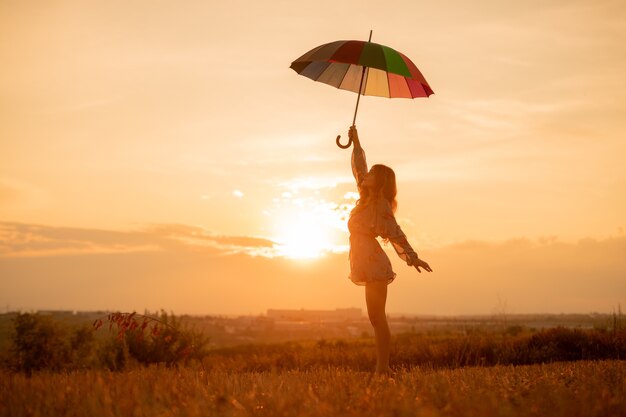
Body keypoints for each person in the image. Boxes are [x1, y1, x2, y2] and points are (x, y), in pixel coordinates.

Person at [347, 125, 432, 374]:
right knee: (375, 319)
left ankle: (383, 368)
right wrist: (356, 140)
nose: (367, 173)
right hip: (363, 260)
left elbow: (396, 234)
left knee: (378, 319)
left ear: (381, 180)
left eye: (373, 172)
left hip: (374, 264)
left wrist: (412, 258)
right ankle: (383, 368)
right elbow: (359, 167)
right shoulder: (364, 199)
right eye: (369, 171)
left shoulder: (380, 206)